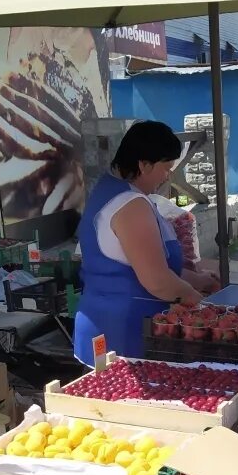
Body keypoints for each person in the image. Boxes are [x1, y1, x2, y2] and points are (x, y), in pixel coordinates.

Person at [74, 121, 220, 366]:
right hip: (122, 334)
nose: (168, 175)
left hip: (106, 323)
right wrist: (195, 299)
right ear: (144, 164)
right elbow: (157, 280)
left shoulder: (110, 189)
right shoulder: (130, 205)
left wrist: (199, 280)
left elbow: (150, 264)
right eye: (166, 167)